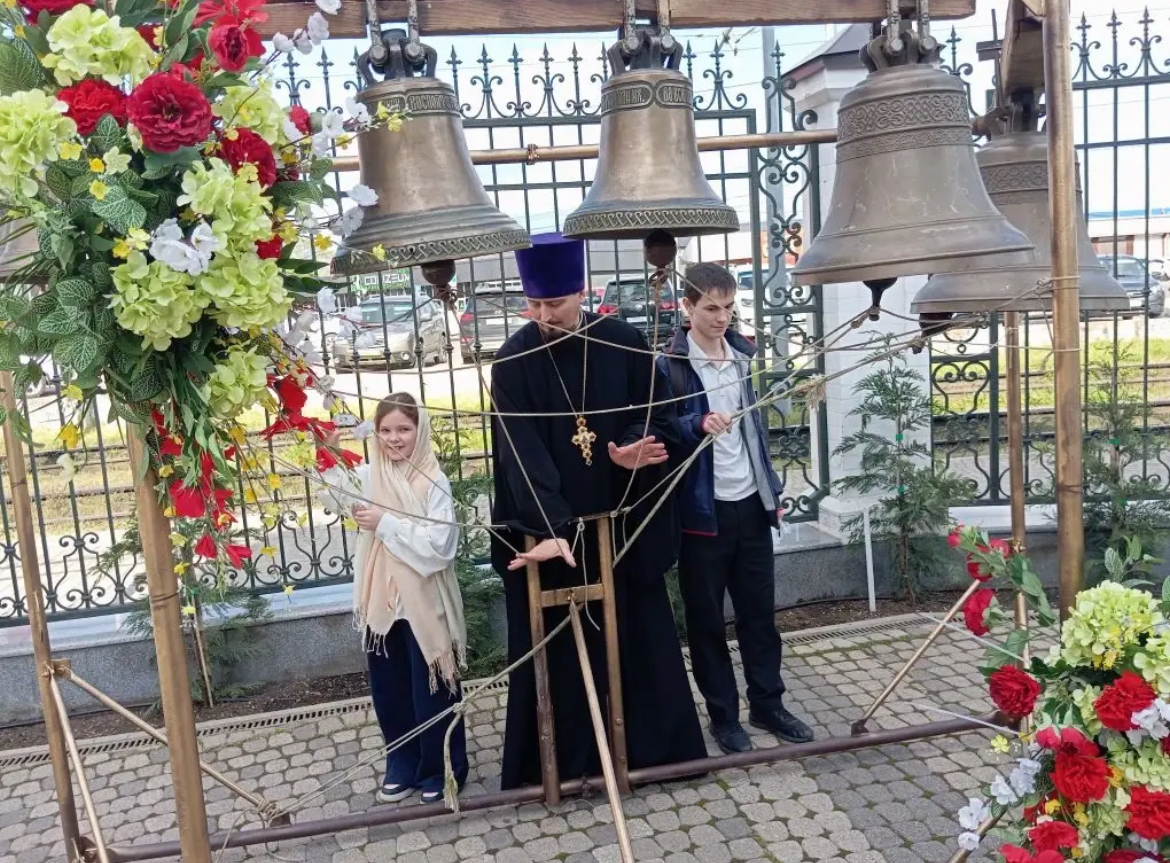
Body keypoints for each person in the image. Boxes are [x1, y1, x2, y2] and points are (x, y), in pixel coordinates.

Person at [490, 233, 706, 790]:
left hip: (620, 519)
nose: (545, 316)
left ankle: (652, 756)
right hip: (555, 533)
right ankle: (565, 766)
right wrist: (554, 524)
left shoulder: (621, 340)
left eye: (555, 304)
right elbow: (518, 452)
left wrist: (633, 447)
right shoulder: (512, 361)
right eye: (534, 305)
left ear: (581, 292)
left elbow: (654, 412)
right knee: (561, 651)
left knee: (637, 636)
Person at [657, 262, 814, 754]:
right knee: (707, 623)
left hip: (751, 505)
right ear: (687, 307)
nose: (722, 317)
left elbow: (756, 434)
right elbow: (660, 429)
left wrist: (770, 491)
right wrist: (696, 424)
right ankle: (724, 717)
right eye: (711, 308)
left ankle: (768, 704)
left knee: (759, 617)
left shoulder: (744, 357)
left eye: (728, 307)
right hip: (703, 515)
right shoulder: (670, 366)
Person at [327, 393, 470, 805]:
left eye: (404, 429)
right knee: (390, 690)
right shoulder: (371, 475)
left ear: (419, 431)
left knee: (433, 690)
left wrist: (385, 523)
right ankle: (402, 763)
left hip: (424, 602)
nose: (394, 438)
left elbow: (440, 546)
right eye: (385, 430)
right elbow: (337, 496)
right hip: (383, 602)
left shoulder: (433, 480)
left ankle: (442, 767)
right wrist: (331, 455)